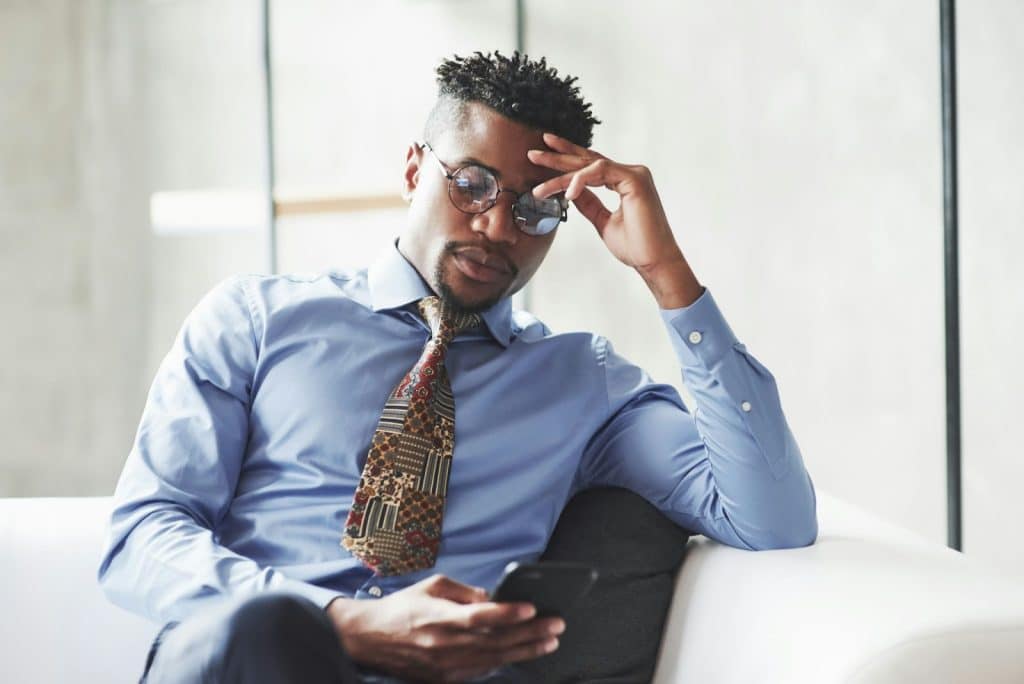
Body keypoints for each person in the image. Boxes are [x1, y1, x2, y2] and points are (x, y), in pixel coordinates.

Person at [97, 50, 818, 683]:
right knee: (267, 633)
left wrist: (667, 275)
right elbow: (142, 536)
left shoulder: (585, 382)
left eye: (535, 210)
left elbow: (771, 517)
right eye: (472, 184)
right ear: (414, 169)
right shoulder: (254, 320)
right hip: (251, 660)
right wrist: (342, 622)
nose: (498, 227)